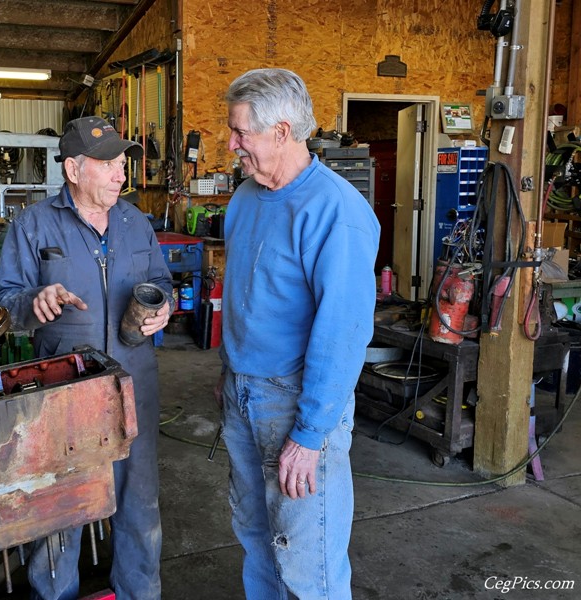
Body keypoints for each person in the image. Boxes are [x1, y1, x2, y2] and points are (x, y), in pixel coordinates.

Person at [0, 115, 174, 600]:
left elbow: (163, 281)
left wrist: (165, 309)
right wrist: (33, 301)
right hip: (63, 390)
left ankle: (139, 593)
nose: (121, 175)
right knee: (62, 507)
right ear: (73, 169)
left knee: (139, 503)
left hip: (135, 383)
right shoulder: (33, 224)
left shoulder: (136, 221)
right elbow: (3, 302)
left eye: (122, 165)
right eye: (110, 164)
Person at [214, 68, 380, 599]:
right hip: (243, 394)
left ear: (282, 132)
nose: (232, 142)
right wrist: (229, 376)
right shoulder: (243, 199)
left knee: (309, 557)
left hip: (298, 402)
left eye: (241, 132)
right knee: (257, 537)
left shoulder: (337, 211)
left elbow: (343, 333)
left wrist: (309, 436)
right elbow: (247, 301)